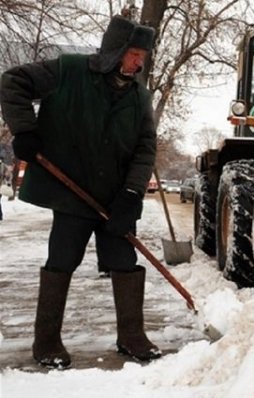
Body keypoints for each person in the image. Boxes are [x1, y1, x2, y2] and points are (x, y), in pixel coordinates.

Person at [0, 15, 160, 368]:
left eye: (142, 56)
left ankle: (131, 336)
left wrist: (132, 194)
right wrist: (24, 130)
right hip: (70, 193)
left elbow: (145, 147)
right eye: (134, 53)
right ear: (115, 50)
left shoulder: (139, 96)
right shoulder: (69, 71)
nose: (139, 62)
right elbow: (13, 81)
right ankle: (46, 341)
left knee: (123, 261)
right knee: (62, 259)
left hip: (115, 198)